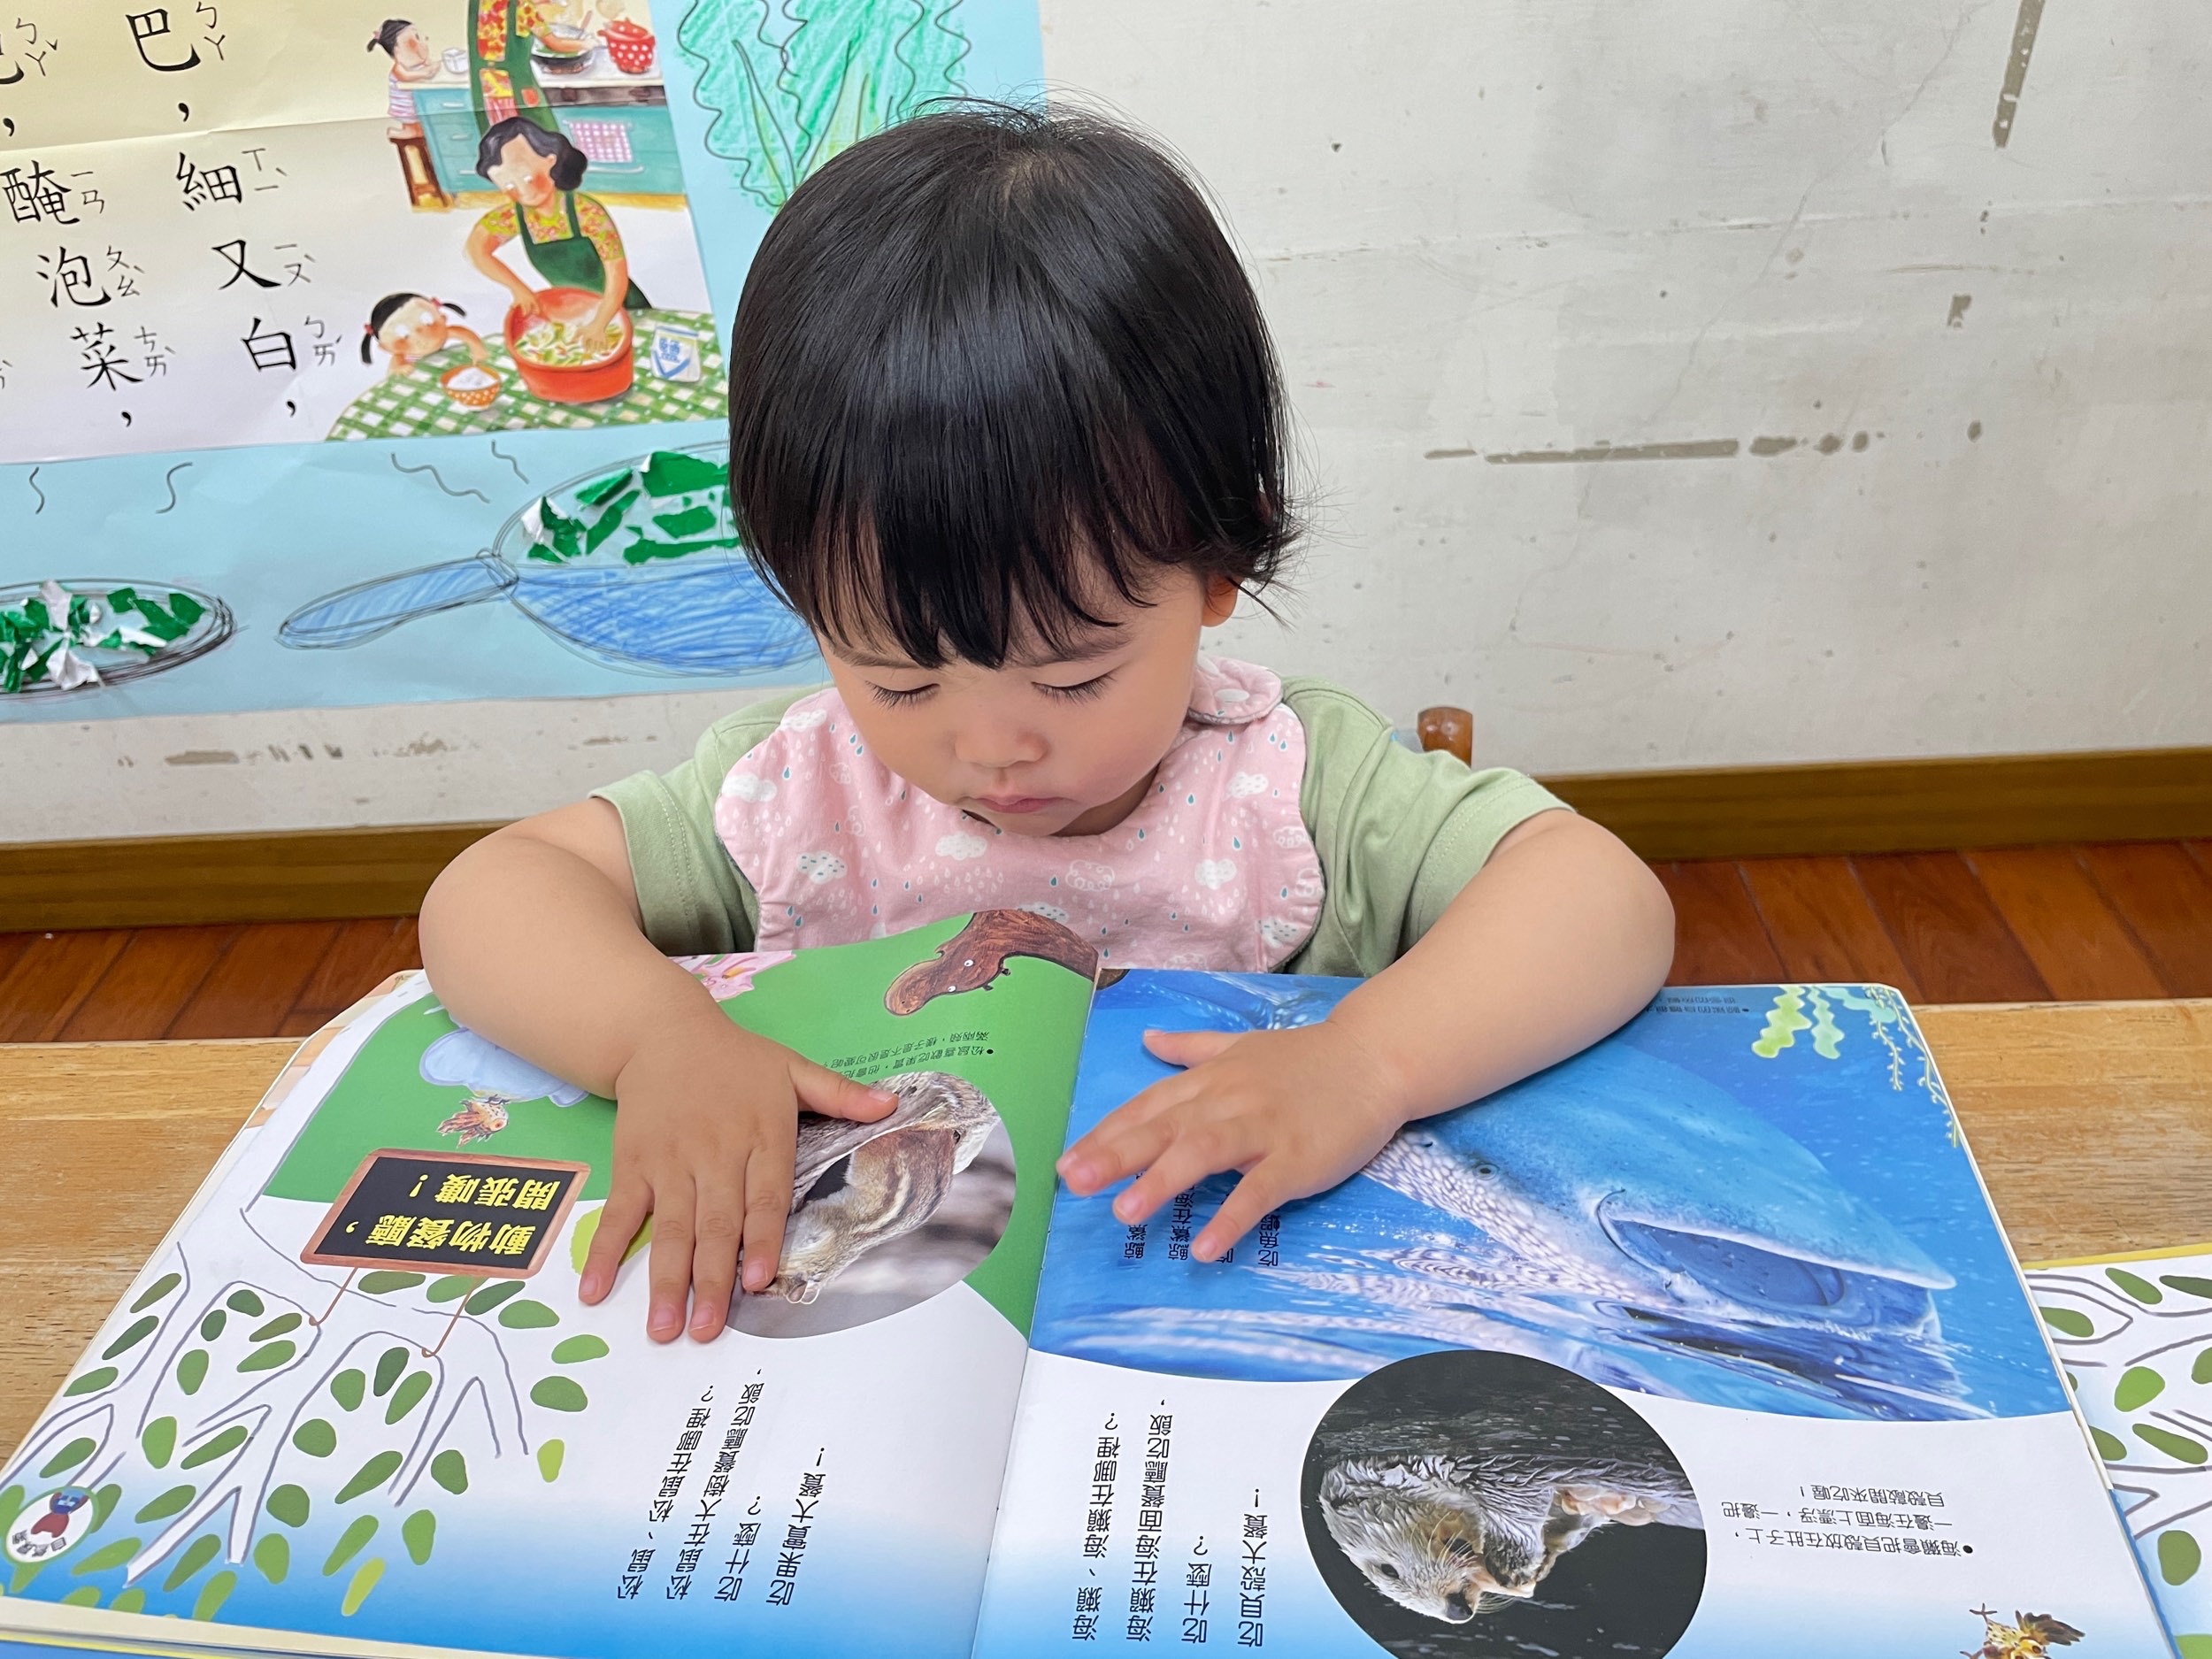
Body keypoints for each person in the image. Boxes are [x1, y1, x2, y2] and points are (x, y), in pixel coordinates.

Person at [419, 104, 1674, 1346]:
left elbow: (1601, 898)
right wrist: (656, 1041)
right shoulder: (798, 790)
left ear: (1219, 563)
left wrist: (1370, 1062)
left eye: (1072, 678)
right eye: (899, 681)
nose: (991, 748)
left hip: (1207, 1317)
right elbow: (494, 891)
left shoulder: (1292, 786)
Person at [463, 116, 647, 346]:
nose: (524, 192)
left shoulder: (586, 211)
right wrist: (518, 289)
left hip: (622, 307)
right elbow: (475, 249)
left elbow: (617, 276)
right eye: (509, 186)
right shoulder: (515, 217)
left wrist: (600, 323)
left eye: (528, 178)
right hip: (577, 312)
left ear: (551, 160)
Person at [359, 292, 490, 379]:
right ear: (385, 347)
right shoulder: (401, 357)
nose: (419, 335)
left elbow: (465, 334)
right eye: (404, 334)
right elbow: (393, 374)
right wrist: (400, 369)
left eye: (427, 321)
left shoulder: (446, 333)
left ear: (443, 318)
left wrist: (477, 348)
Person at [367, 18, 437, 138]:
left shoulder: (419, 63)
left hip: (418, 101)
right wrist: (423, 73)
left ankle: (418, 130)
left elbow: (431, 67)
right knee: (411, 121)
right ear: (397, 49)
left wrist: (431, 65)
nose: (423, 40)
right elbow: (406, 77)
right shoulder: (399, 68)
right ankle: (408, 131)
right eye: (414, 38)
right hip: (405, 105)